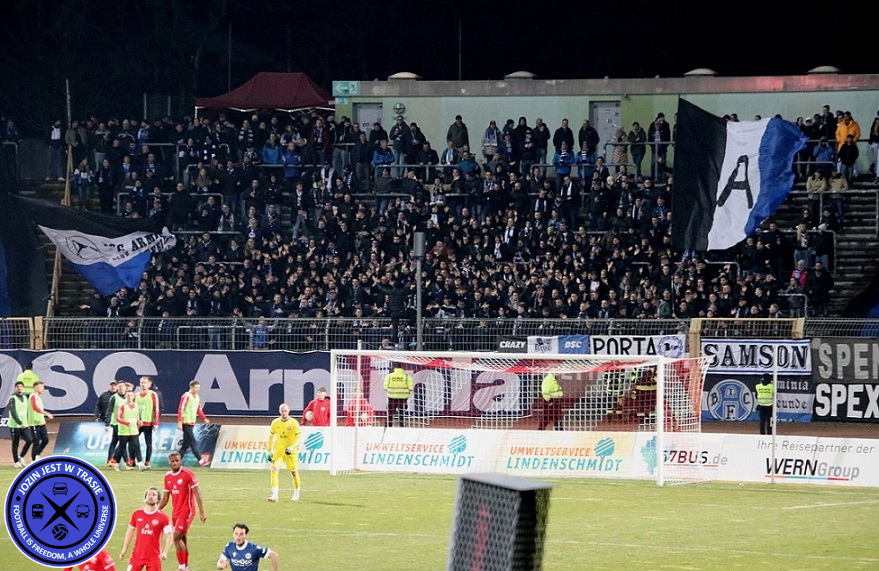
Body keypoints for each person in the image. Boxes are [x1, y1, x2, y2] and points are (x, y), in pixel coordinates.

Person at [159, 452, 207, 571]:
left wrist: (202, 512)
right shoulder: (167, 477)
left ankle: (181, 567)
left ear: (180, 461)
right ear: (169, 462)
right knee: (181, 539)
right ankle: (186, 567)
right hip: (176, 512)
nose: (175, 463)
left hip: (187, 511)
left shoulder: (187, 474)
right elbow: (165, 497)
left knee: (175, 537)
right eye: (173, 461)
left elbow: (197, 492)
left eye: (177, 461)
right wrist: (157, 509)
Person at [120, 487, 173, 571]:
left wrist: (165, 552)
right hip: (137, 555)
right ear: (145, 498)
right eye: (149, 494)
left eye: (154, 495)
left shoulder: (163, 517)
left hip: (154, 557)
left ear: (158, 499)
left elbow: (170, 535)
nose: (151, 496)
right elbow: (130, 531)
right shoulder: (136, 514)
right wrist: (125, 548)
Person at [266, 403, 301, 502]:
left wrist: (292, 447)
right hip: (279, 450)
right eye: (282, 411)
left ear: (288, 411)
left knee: (294, 472)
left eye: (285, 411)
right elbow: (271, 437)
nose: (284, 413)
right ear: (279, 411)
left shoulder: (293, 423)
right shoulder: (275, 423)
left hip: (291, 451)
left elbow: (298, 438)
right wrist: (268, 450)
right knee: (274, 469)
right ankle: (275, 495)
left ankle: (296, 494)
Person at [177, 380, 210, 466]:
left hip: (191, 422)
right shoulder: (186, 396)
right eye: (196, 388)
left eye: (198, 388)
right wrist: (180, 422)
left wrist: (204, 418)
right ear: (191, 387)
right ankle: (200, 460)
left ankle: (177, 461)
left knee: (185, 445)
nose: (197, 390)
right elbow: (181, 409)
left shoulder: (197, 397)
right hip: (186, 422)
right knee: (193, 442)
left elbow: (198, 409)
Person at [113, 389, 146, 471]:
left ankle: (141, 463)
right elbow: (118, 418)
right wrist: (125, 423)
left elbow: (138, 416)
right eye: (128, 396)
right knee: (122, 447)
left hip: (134, 430)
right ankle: (116, 463)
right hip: (124, 431)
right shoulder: (122, 406)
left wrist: (139, 421)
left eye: (131, 395)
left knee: (137, 446)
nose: (129, 397)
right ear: (125, 397)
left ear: (134, 396)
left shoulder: (136, 406)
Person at [136, 376, 161, 467]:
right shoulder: (136, 395)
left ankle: (147, 462)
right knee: (133, 442)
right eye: (141, 382)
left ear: (149, 384)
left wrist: (156, 423)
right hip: (138, 424)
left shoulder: (153, 394)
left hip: (148, 423)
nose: (143, 384)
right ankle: (132, 461)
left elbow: (156, 409)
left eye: (145, 382)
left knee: (148, 443)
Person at [7, 380, 32, 467]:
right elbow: (13, 411)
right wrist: (19, 422)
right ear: (15, 388)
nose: (19, 388)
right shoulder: (12, 398)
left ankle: (21, 456)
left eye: (21, 387)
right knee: (15, 443)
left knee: (29, 440)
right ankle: (16, 461)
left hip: (24, 424)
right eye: (18, 387)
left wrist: (28, 421)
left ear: (23, 388)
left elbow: (27, 411)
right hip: (15, 425)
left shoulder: (25, 398)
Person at [28, 380, 53, 461]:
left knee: (45, 440)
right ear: (35, 388)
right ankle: (33, 460)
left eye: (43, 387)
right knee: (36, 442)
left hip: (41, 422)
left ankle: (37, 454)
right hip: (34, 423)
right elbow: (35, 407)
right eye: (41, 387)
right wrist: (46, 413)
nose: (43, 388)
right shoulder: (33, 396)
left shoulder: (38, 397)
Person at [383, 363, 414, 428]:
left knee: (390, 413)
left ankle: (389, 425)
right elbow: (411, 388)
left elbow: (385, 387)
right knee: (402, 412)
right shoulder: (407, 377)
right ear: (403, 368)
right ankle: (401, 425)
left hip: (391, 397)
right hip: (403, 398)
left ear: (394, 368)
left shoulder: (389, 376)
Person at [106, 381, 129, 467]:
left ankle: (110, 460)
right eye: (119, 387)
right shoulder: (114, 397)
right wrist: (107, 423)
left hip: (125, 423)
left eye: (122, 386)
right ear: (117, 388)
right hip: (116, 422)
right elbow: (109, 410)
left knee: (114, 441)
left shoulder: (128, 397)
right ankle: (127, 461)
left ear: (125, 387)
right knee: (123, 442)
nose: (121, 388)